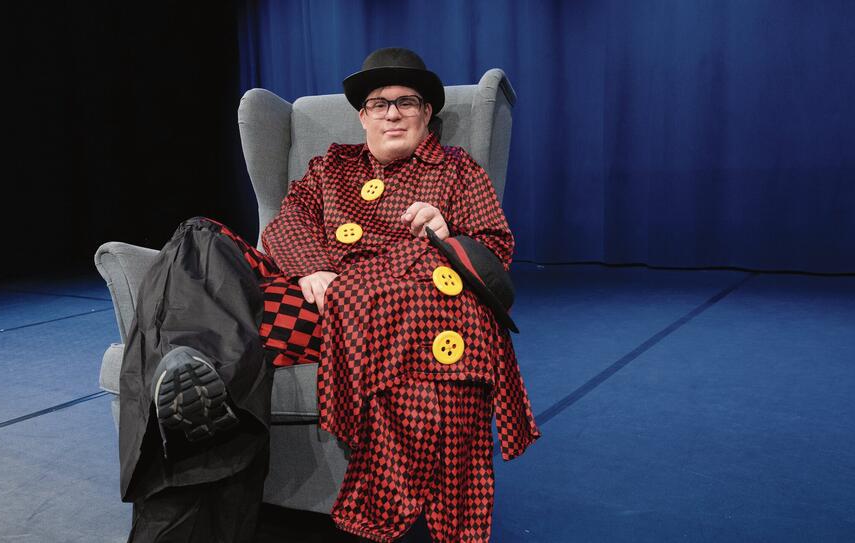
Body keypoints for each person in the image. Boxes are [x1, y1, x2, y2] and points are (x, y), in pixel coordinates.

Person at [118, 47, 539, 543]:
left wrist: (445, 234)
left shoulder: (456, 170)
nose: (392, 114)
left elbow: (494, 252)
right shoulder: (330, 167)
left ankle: (205, 376)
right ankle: (194, 377)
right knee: (197, 237)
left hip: (379, 316)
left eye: (406, 102)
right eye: (379, 104)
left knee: (207, 329)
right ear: (362, 116)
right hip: (306, 297)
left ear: (427, 113)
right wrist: (313, 268)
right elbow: (287, 222)